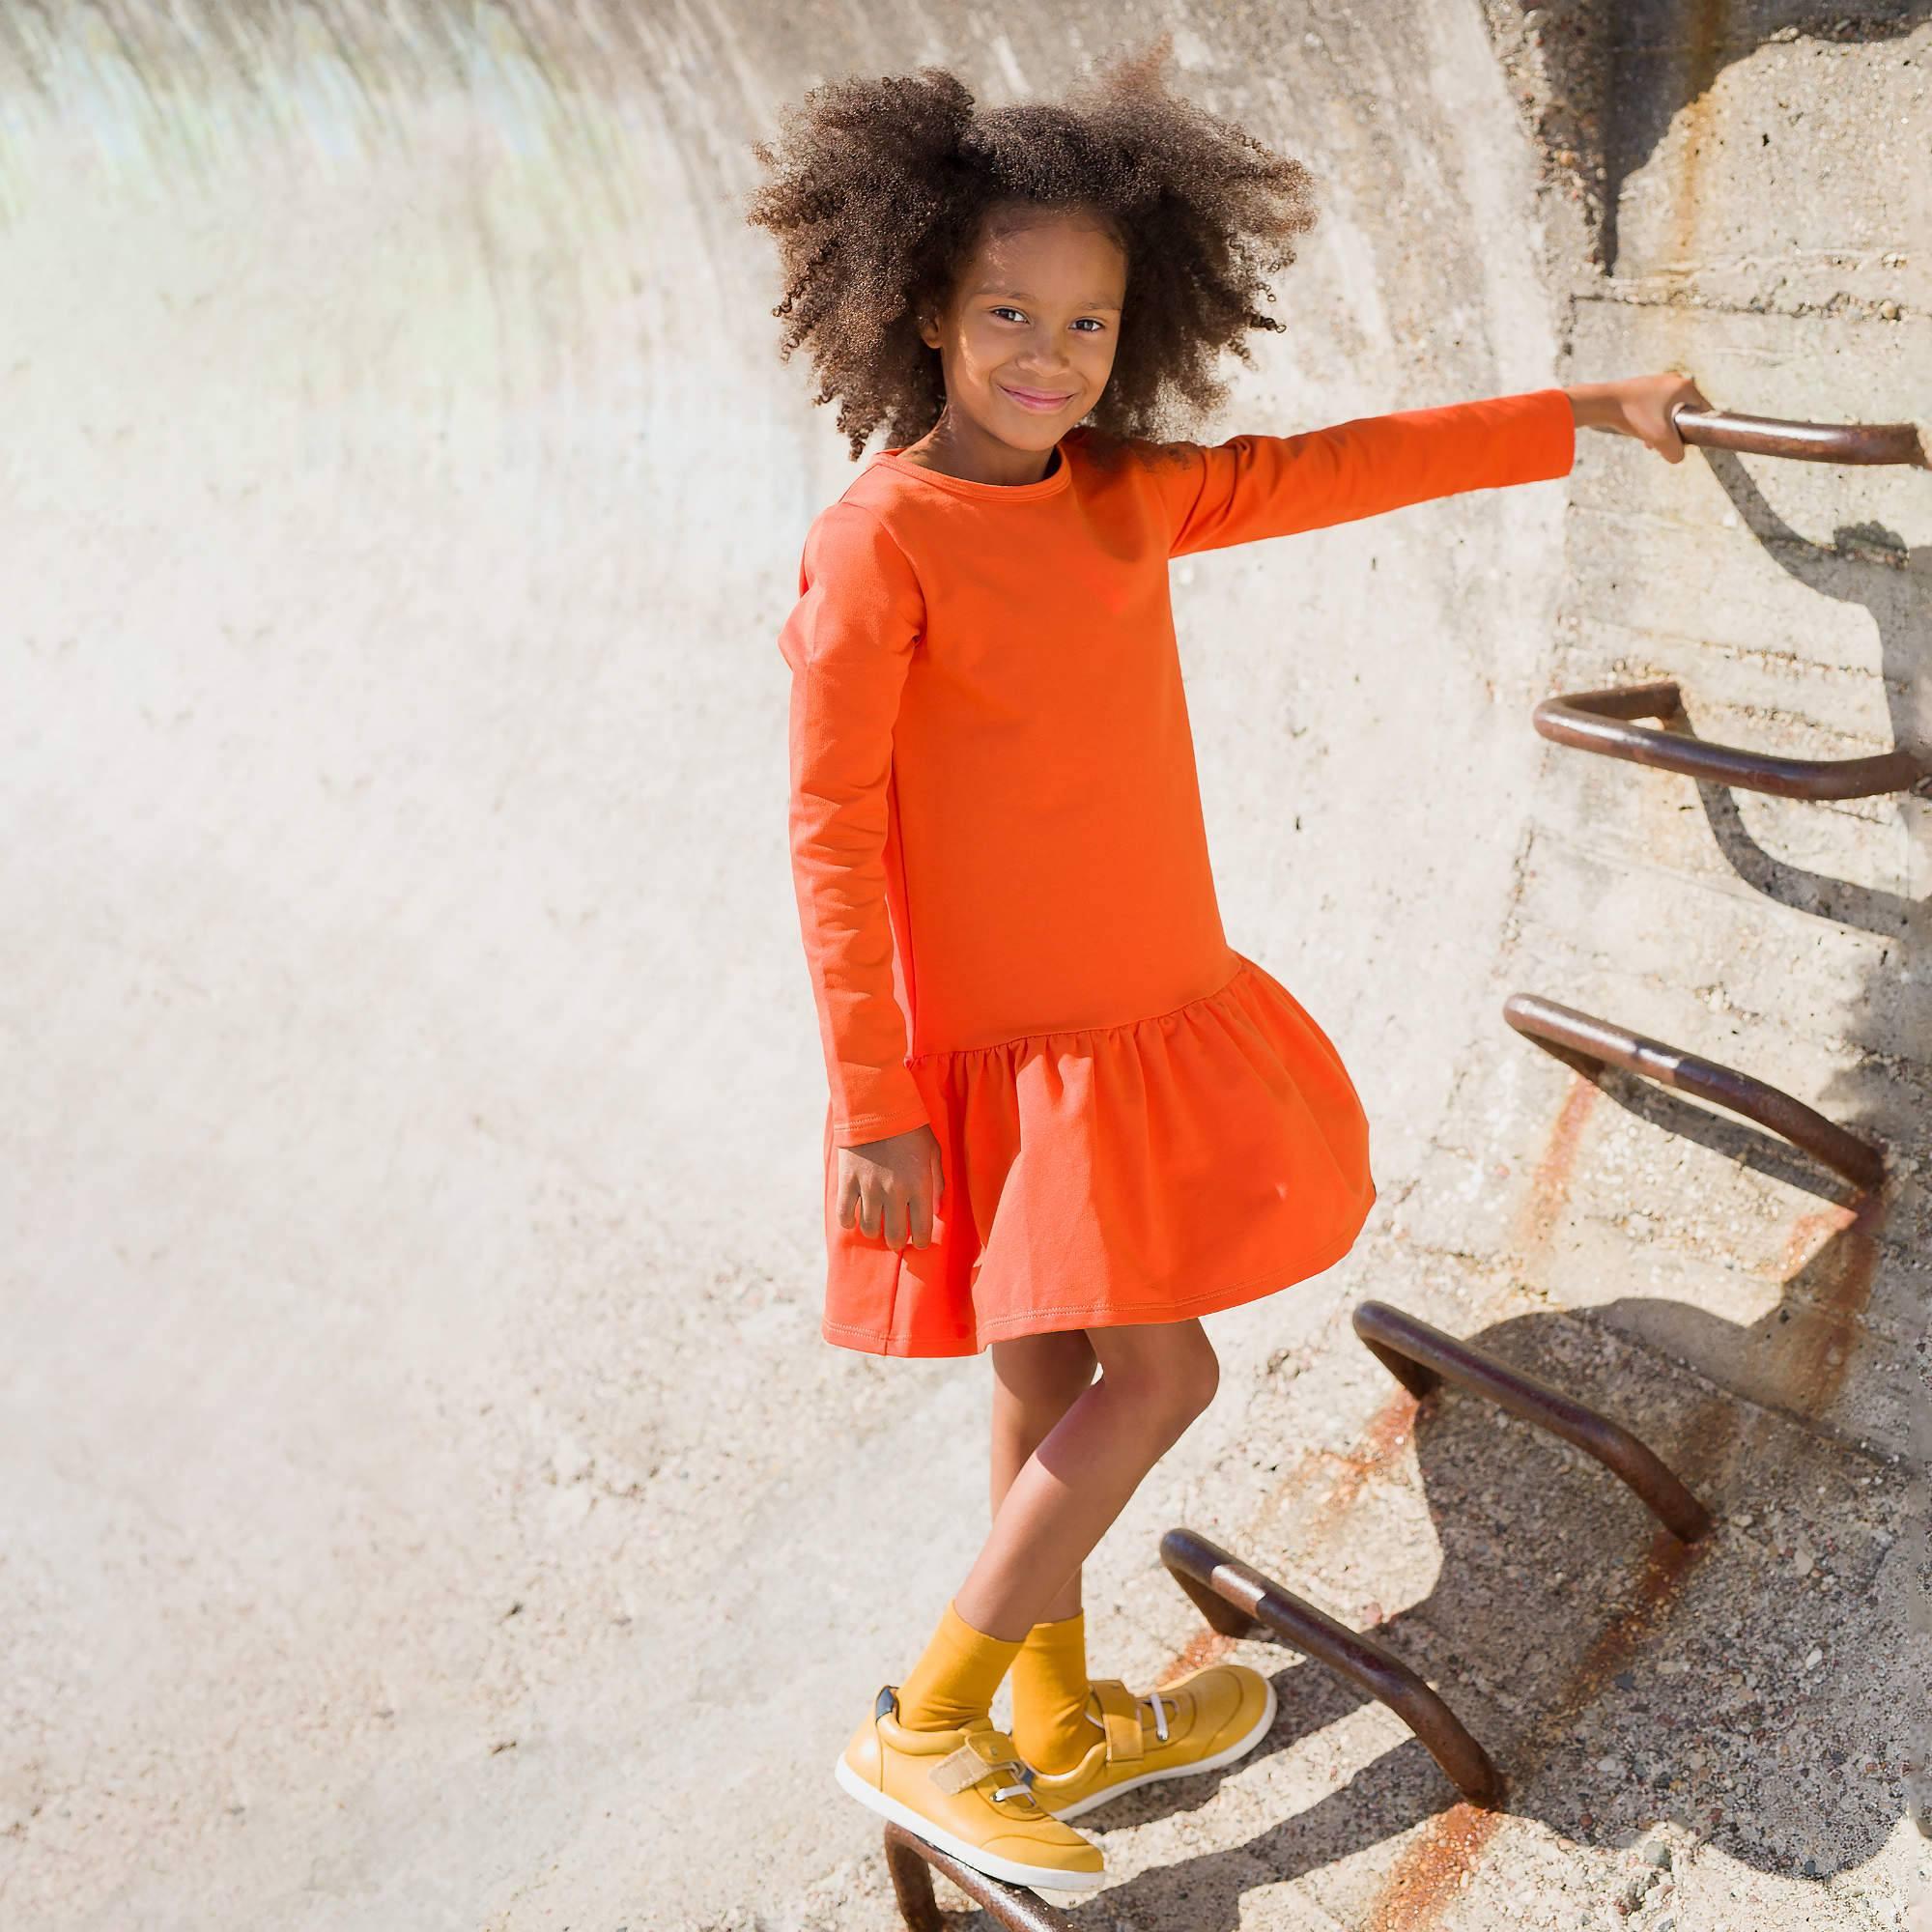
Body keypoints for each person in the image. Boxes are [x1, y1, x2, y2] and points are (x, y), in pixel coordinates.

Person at [747, 38, 1708, 1892]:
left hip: (1126, 1021)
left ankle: (1053, 1712)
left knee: (1042, 1391)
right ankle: (932, 1719)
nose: (1050, 358)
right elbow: (830, 837)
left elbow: (1332, 467)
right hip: (1001, 1051)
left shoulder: (1121, 497)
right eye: (1007, 314)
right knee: (1162, 1378)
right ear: (922, 310)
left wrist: (1579, 410)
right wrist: (874, 1103)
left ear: (1137, 333)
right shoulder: (880, 543)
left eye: (1091, 327)